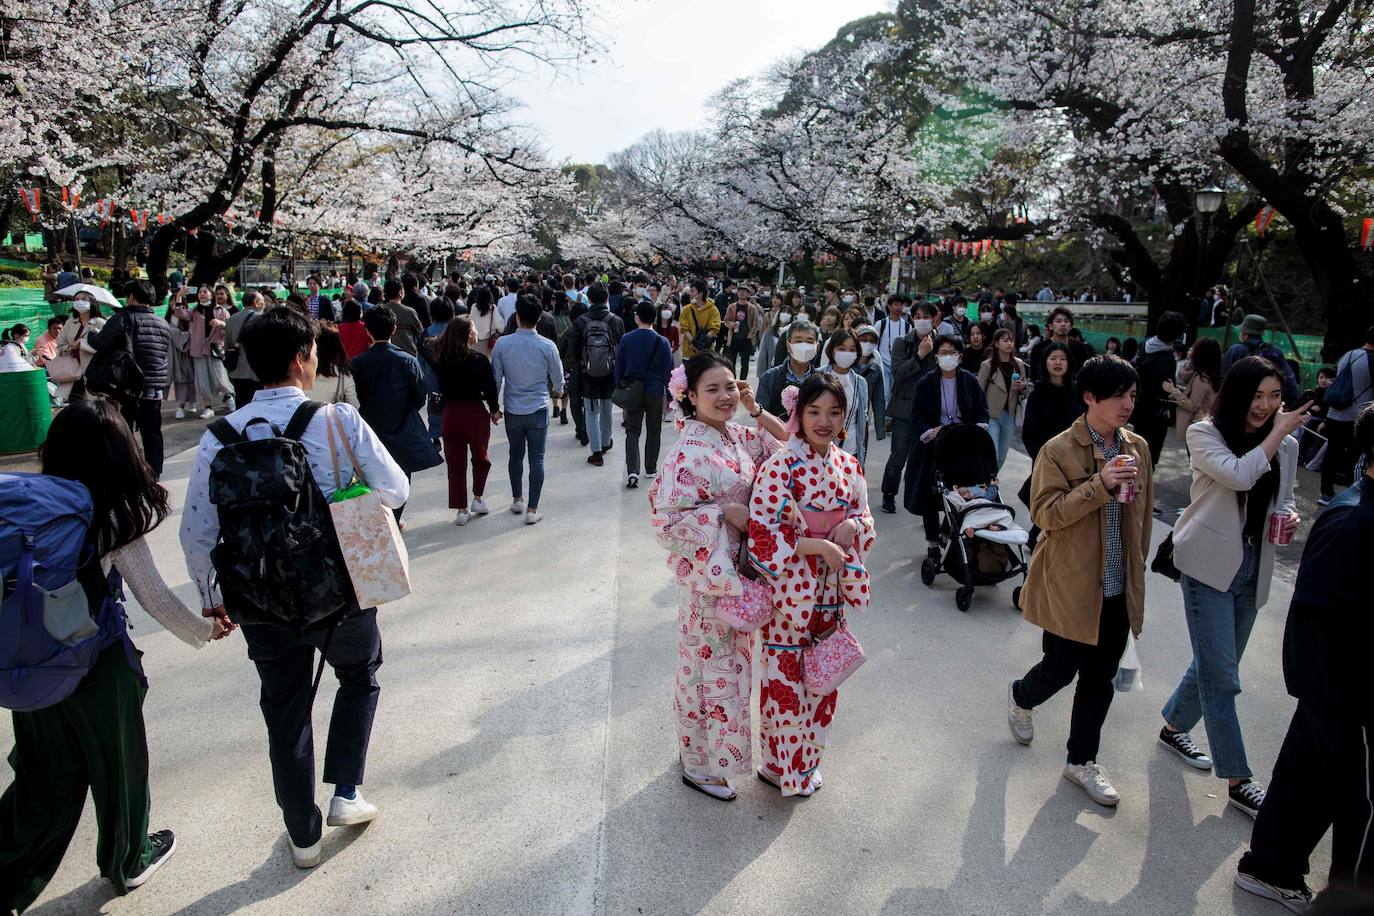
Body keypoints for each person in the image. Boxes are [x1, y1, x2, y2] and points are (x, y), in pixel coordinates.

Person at [180, 306, 405, 869]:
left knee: (284, 707)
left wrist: (211, 597)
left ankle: (302, 835)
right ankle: (347, 793)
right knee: (358, 674)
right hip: (339, 590)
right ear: (304, 359)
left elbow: (198, 532)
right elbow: (395, 489)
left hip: (259, 599)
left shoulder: (217, 439)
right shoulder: (337, 421)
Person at [0, 399, 224, 913]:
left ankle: (7, 876)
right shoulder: (111, 513)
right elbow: (155, 597)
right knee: (119, 766)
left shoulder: (24, 507)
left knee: (41, 776)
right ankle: (129, 858)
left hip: (25, 668)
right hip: (95, 667)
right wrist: (204, 630)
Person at [1233, 405, 1374, 911]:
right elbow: (1317, 619)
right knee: (1362, 805)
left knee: (1306, 778)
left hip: (1336, 689)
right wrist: (1330, 701)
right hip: (1346, 689)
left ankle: (1270, 868)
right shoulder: (1354, 520)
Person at [1160, 356, 1309, 818]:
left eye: (1275, 397)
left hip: (1253, 565)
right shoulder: (1204, 433)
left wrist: (1291, 514)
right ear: (1237, 393)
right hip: (1207, 564)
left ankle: (1174, 725)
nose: (1266, 406)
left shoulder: (1285, 445)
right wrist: (1277, 433)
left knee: (1217, 660)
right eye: (1258, 395)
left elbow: (1282, 499)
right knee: (1223, 676)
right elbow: (1239, 474)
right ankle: (1239, 778)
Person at [1007, 355, 1153, 808]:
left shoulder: (1138, 447)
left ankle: (1081, 760)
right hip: (1073, 584)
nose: (1127, 404)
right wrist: (1099, 484)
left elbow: (1143, 518)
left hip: (1116, 584)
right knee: (1060, 669)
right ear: (1090, 398)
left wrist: (1137, 568)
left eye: (1131, 395)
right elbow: (1045, 513)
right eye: (1117, 396)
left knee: (1100, 677)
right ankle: (1021, 695)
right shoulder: (1058, 450)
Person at [649, 353, 787, 800]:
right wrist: (722, 513)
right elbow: (667, 522)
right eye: (713, 389)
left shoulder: (733, 437)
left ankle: (713, 756)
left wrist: (756, 408)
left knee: (730, 670)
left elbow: (784, 450)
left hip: (736, 577)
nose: (725, 396)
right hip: (708, 581)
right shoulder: (689, 450)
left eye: (730, 386)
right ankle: (698, 763)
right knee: (704, 672)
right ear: (689, 396)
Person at [749, 372, 876, 797]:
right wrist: (818, 546)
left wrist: (854, 524)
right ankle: (780, 766)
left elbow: (865, 516)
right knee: (785, 680)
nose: (824, 421)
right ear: (798, 415)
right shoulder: (782, 464)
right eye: (814, 411)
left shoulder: (849, 465)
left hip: (830, 593)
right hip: (790, 592)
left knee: (822, 679)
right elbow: (762, 531)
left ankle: (806, 762)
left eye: (834, 413)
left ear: (845, 418)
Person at [351, 307, 442, 523]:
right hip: (401, 422)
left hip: (370, 424)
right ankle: (394, 517)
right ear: (393, 329)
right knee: (401, 473)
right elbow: (420, 393)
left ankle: (382, 517)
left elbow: (356, 395)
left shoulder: (358, 362)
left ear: (368, 332)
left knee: (372, 473)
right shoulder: (407, 359)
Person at [903, 336, 991, 555]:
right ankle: (932, 541)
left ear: (960, 357)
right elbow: (917, 414)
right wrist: (928, 431)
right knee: (931, 493)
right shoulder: (926, 382)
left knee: (963, 492)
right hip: (934, 445)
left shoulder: (970, 381)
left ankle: (947, 528)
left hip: (964, 445)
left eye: (952, 353)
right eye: (943, 353)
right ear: (936, 357)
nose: (948, 357)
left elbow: (982, 409)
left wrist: (980, 425)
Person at [85, 281, 173, 477]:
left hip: (126, 387)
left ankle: (129, 472)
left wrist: (90, 333)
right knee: (152, 432)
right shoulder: (162, 323)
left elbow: (100, 343)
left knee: (123, 431)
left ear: (131, 296)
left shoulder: (122, 318)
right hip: (153, 387)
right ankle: (154, 473)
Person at [491, 295, 565, 525]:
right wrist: (557, 392)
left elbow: (496, 380)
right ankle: (532, 509)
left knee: (515, 454)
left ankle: (517, 498)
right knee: (537, 459)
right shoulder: (547, 345)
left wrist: (494, 407)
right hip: (538, 407)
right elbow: (558, 379)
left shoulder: (503, 344)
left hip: (513, 408)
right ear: (539, 318)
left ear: (517, 316)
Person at [431, 315, 500, 526]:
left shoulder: (441, 359)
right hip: (474, 413)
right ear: (468, 335)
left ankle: (461, 509)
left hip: (450, 413)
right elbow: (490, 389)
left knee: (455, 463)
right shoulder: (479, 360)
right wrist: (495, 410)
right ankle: (477, 497)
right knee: (480, 457)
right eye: (474, 329)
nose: (477, 332)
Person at [1018, 342, 1084, 549]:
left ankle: (1039, 534)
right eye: (1053, 358)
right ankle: (1039, 533)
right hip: (1045, 458)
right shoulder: (1038, 394)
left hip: (1073, 458)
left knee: (1065, 502)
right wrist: (1042, 457)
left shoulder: (1076, 392)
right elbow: (1029, 432)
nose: (1058, 363)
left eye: (1062, 358)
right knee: (1043, 498)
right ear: (1045, 363)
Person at [880, 302, 940, 514]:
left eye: (926, 316)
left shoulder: (942, 344)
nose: (922, 320)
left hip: (932, 412)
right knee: (899, 455)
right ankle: (889, 493)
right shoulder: (902, 343)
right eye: (917, 316)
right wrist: (919, 355)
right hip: (905, 409)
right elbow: (898, 373)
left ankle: (924, 497)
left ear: (934, 319)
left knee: (929, 458)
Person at [615, 301, 673, 488]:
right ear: (655, 319)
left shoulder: (626, 339)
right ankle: (650, 468)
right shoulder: (662, 342)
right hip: (655, 392)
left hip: (633, 391)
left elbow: (619, 368)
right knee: (654, 430)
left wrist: (620, 386)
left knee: (632, 431)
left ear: (637, 317)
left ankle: (632, 470)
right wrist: (670, 398)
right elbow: (668, 372)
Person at [1317, 324, 1374, 504]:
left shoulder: (1348, 355)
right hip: (1357, 416)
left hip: (1335, 413)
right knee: (1355, 458)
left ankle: (1326, 493)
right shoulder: (1372, 359)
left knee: (1331, 453)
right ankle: (1353, 495)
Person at [570, 283, 625, 466]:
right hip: (610, 372)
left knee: (591, 412)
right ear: (607, 299)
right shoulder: (616, 321)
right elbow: (621, 349)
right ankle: (605, 442)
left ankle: (596, 452)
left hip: (587, 373)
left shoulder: (580, 322)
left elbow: (574, 350)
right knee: (607, 409)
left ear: (590, 299)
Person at [1130, 310, 1187, 466]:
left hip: (1138, 405)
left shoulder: (1145, 344)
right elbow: (1167, 389)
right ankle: (1142, 488)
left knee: (1135, 451)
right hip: (1155, 413)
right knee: (1149, 458)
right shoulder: (1167, 359)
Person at [977, 328, 1028, 470]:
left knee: (1001, 456)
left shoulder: (1019, 364)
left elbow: (1025, 391)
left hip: (1010, 415)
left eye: (1011, 340)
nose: (1009, 343)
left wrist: (1023, 387)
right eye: (1005, 340)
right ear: (996, 343)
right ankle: (988, 482)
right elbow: (979, 391)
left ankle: (991, 481)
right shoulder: (987, 365)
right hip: (991, 416)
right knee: (992, 452)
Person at [1223, 314, 1300, 405]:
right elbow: (1289, 380)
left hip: (1239, 404)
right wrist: (1291, 404)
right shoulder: (1275, 352)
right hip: (1270, 406)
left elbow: (1223, 378)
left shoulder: (1236, 351)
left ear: (1244, 334)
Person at [821, 328, 870, 464]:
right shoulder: (818, 376)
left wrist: (861, 457)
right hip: (822, 452)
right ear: (832, 350)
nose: (847, 353)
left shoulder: (860, 383)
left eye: (852, 350)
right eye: (842, 349)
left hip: (850, 453)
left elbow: (862, 420)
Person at [756, 319, 820, 420]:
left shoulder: (821, 381)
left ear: (817, 347)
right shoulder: (769, 378)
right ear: (788, 346)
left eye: (809, 341)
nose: (804, 346)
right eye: (798, 341)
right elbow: (761, 415)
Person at [186, 285, 234, 418]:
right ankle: (208, 408)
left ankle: (229, 397)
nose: (201, 294)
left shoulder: (221, 311)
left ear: (211, 294)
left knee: (219, 376)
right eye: (200, 292)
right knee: (202, 379)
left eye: (204, 292)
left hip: (215, 347)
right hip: (198, 348)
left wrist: (221, 323)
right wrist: (179, 296)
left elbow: (231, 327)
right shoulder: (195, 311)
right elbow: (180, 313)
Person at [1164, 337, 1222, 443]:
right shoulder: (1214, 377)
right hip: (1208, 427)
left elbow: (1193, 405)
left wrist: (1173, 390)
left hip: (1197, 427)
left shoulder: (1201, 379)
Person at [52, 292, 107, 401]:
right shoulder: (69, 323)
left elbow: (105, 347)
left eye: (83, 299)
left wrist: (82, 343)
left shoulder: (101, 323)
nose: (79, 301)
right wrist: (70, 347)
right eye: (76, 299)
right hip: (72, 371)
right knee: (75, 403)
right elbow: (60, 344)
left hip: (93, 371)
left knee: (94, 406)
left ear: (91, 302)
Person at [223, 288, 266, 409]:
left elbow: (227, 345)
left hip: (236, 369)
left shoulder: (231, 319)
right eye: (262, 301)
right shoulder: (262, 319)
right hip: (257, 370)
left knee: (241, 403)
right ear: (256, 302)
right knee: (257, 406)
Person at [301, 322, 359, 408]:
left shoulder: (300, 370)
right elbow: (354, 406)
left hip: (302, 418)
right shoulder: (343, 376)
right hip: (329, 419)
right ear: (337, 346)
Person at [1028, 306, 1090, 382]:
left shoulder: (1080, 347)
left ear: (1071, 326)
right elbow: (1034, 375)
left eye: (1066, 321)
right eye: (1058, 321)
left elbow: (1085, 373)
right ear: (1050, 326)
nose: (1063, 324)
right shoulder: (1039, 348)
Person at [852, 324, 886, 458]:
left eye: (872, 341)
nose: (868, 343)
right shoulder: (846, 363)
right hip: (841, 417)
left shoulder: (875, 369)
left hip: (862, 419)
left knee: (860, 456)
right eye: (863, 339)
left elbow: (878, 400)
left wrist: (880, 429)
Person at [721, 287, 763, 381]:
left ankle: (742, 381)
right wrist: (731, 325)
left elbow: (756, 323)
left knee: (745, 363)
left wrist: (751, 333)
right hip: (733, 338)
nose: (741, 293)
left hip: (746, 339)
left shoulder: (752, 308)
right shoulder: (732, 307)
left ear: (748, 294)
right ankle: (732, 380)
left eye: (744, 291)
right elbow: (726, 320)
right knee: (731, 362)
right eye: (740, 291)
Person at [679, 280, 720, 359]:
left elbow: (714, 328)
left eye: (692, 291)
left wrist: (702, 343)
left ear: (701, 293)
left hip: (706, 352)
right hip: (688, 352)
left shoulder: (713, 309)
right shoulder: (686, 309)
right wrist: (694, 343)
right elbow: (684, 329)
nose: (690, 294)